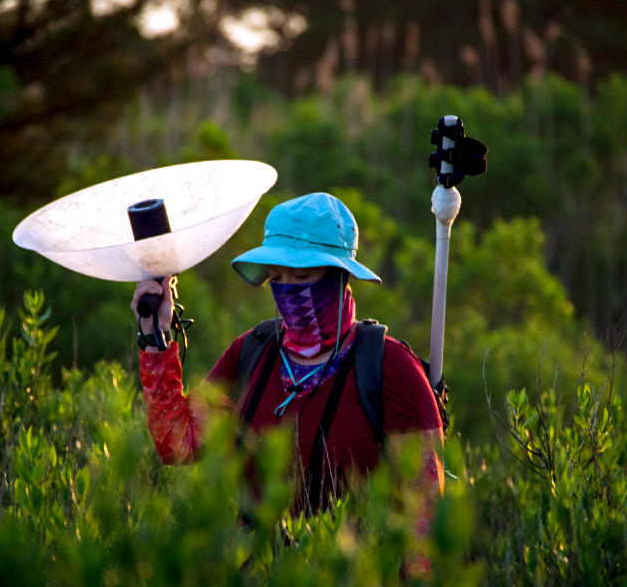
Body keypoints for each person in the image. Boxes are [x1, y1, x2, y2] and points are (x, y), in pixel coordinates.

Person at [132, 193, 444, 567]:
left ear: (341, 276)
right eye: (277, 278)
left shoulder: (387, 366)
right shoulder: (252, 353)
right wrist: (155, 337)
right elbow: (178, 444)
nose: (289, 290)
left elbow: (424, 515)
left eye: (304, 276)